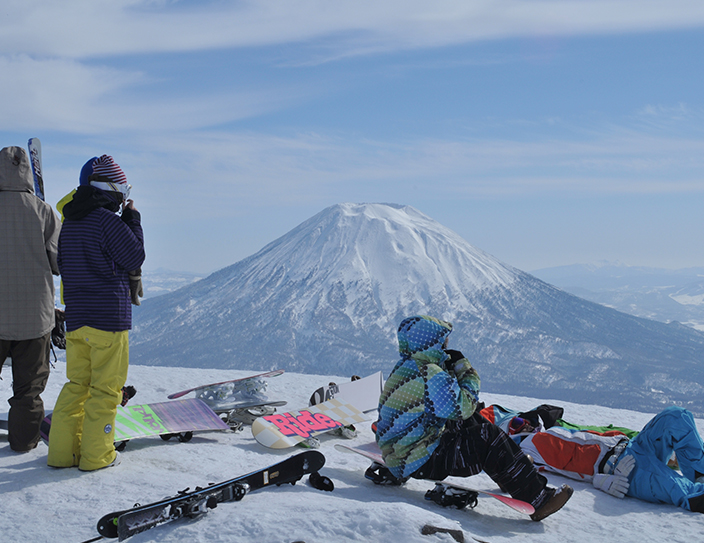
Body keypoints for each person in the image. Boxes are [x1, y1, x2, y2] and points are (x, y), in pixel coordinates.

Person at [374, 315, 573, 521]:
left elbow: (456, 413)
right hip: (418, 459)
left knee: (468, 423)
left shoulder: (407, 366)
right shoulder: (429, 374)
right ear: (431, 341)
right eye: (443, 338)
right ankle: (537, 499)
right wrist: (463, 368)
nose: (446, 344)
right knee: (488, 435)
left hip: (400, 452)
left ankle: (509, 468)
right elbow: (465, 406)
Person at [47, 155, 145, 471]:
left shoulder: (69, 223)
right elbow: (134, 256)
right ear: (110, 189)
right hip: (108, 322)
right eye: (122, 189)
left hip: (77, 322)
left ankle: (61, 454)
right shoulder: (106, 221)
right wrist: (133, 220)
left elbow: (64, 266)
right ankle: (96, 456)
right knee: (105, 392)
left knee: (77, 387)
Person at [518, 406, 704, 513]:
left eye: (525, 420)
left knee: (677, 416)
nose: (524, 423)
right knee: (683, 491)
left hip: (633, 445)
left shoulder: (552, 429)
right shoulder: (527, 450)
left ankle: (700, 474)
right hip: (623, 468)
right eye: (517, 424)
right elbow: (523, 473)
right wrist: (602, 480)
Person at [0, 146, 61, 452]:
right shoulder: (43, 211)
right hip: (34, 319)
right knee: (28, 391)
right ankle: (23, 443)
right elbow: (58, 262)